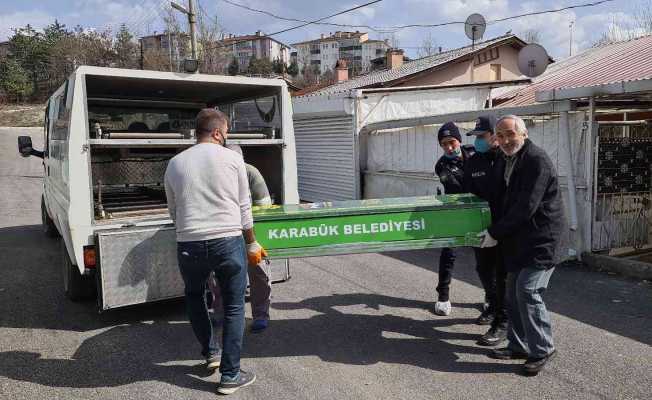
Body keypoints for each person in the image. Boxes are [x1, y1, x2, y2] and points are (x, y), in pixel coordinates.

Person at [164, 108, 266, 394]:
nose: (227, 137)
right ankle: (230, 375)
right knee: (234, 306)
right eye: (227, 132)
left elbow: (173, 210)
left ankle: (210, 353)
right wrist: (251, 242)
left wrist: (190, 231)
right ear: (218, 132)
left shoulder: (174, 163)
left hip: (189, 242)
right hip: (227, 241)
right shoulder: (233, 159)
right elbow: (245, 209)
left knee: (195, 297)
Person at [478, 115, 565, 376]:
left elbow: (526, 206)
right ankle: (518, 345)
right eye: (500, 136)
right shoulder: (507, 160)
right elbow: (498, 196)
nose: (505, 140)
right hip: (518, 241)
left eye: (510, 134)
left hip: (542, 240)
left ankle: (543, 349)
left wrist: (494, 232)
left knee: (528, 291)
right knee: (512, 293)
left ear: (524, 134)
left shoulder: (536, 160)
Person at [208, 144, 273, 334]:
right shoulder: (215, 174)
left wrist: (251, 239)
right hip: (223, 229)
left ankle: (260, 315)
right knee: (219, 274)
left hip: (251, 230)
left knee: (258, 273)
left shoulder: (251, 173)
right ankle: (220, 312)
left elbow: (264, 207)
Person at [464, 115, 508, 346]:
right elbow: (467, 195)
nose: (478, 141)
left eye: (482, 136)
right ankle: (492, 305)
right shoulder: (472, 161)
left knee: (503, 276)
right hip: (481, 227)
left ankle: (502, 321)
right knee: (483, 269)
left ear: (495, 136)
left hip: (505, 228)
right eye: (477, 137)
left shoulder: (509, 159)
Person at [433, 121, 475, 316]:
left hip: (480, 212)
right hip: (456, 213)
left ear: (459, 140)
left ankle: (491, 298)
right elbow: (455, 186)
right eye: (444, 144)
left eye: (452, 142)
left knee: (487, 259)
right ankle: (443, 296)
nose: (449, 147)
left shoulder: (475, 154)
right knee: (448, 254)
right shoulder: (441, 165)